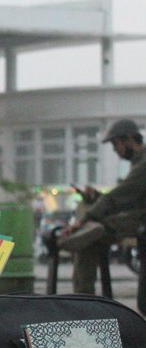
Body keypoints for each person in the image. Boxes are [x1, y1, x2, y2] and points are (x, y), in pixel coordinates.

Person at [58, 118, 146, 293]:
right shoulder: (138, 163)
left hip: (140, 219)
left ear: (129, 139)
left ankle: (84, 300)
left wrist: (83, 220)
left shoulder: (143, 165)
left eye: (116, 144)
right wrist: (96, 196)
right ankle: (85, 298)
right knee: (89, 238)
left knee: (89, 238)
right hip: (135, 215)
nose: (115, 150)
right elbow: (125, 198)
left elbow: (117, 197)